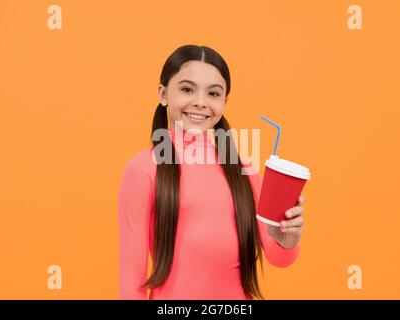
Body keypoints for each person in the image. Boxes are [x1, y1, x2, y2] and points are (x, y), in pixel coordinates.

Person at [118, 45, 306, 300]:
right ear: (163, 94)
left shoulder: (243, 170)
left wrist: (287, 236)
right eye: (187, 89)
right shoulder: (144, 168)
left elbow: (279, 258)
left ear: (224, 102)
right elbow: (131, 283)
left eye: (214, 93)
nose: (200, 102)